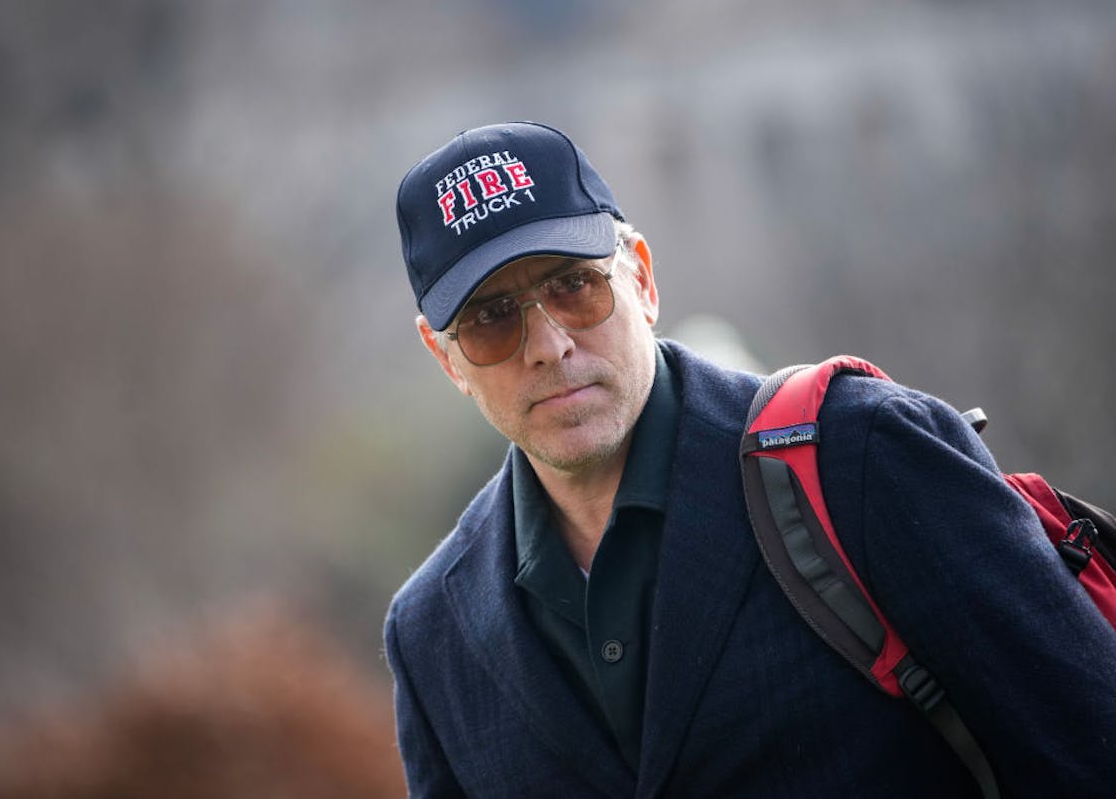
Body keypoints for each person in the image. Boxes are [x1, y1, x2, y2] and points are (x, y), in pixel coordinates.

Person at [383, 121, 1116, 797]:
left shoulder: (864, 454)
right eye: (490, 319)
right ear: (444, 358)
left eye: (573, 285)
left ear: (641, 280)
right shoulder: (429, 635)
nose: (548, 345)